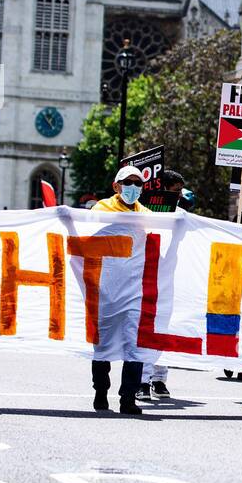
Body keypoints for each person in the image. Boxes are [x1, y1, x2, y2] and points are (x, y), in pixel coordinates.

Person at [89, 165, 151, 416]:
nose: (133, 188)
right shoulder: (101, 210)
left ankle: (128, 397)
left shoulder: (146, 214)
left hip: (134, 290)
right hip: (105, 289)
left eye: (138, 183)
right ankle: (101, 390)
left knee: (135, 345)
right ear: (116, 186)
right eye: (128, 183)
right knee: (102, 345)